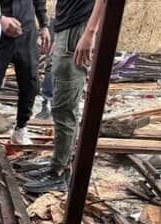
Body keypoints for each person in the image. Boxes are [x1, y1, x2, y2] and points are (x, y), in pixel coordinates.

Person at [21, 0, 101, 194]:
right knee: (59, 104)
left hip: (78, 28)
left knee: (64, 107)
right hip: (67, 28)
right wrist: (59, 30)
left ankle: (59, 172)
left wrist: (89, 32)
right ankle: (57, 163)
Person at [0, 0, 51, 158]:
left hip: (26, 31)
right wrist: (0, 18)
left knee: (30, 82)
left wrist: (43, 24)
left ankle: (21, 129)